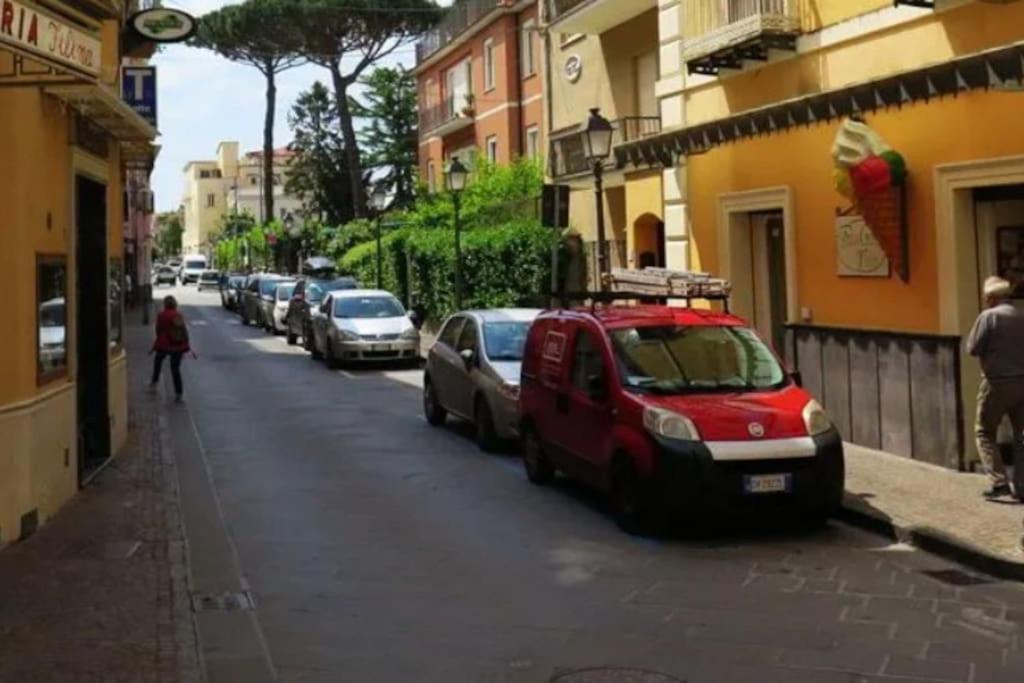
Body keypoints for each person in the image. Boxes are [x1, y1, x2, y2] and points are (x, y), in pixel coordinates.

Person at [966, 276, 1024, 502]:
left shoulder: (988, 317)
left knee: (984, 430)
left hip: (997, 382)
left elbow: (973, 348)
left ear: (991, 298)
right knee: (1022, 435)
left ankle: (998, 481)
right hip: (1023, 381)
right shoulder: (1021, 315)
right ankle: (1022, 485)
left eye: (986, 297)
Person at [150, 296, 196, 402]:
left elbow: (158, 330)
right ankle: (179, 393)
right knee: (175, 369)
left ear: (165, 304)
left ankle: (154, 382)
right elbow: (183, 330)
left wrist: (159, 341)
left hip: (164, 344)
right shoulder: (178, 315)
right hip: (178, 345)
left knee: (158, 360)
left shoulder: (161, 315)